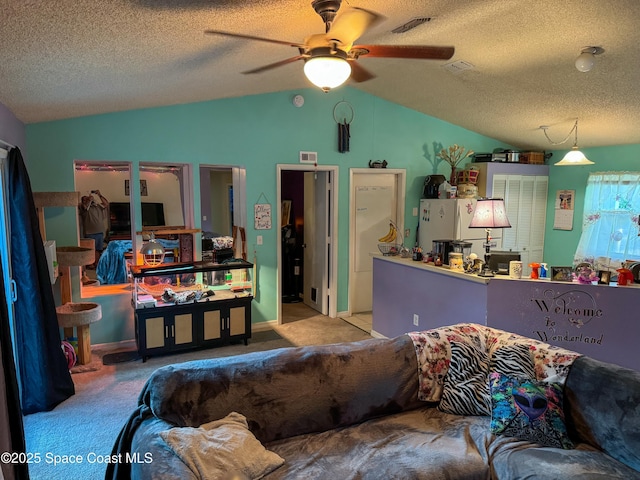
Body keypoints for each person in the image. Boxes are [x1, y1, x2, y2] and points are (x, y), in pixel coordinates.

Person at [79, 190, 109, 268]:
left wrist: (99, 194)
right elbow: (84, 207)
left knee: (98, 249)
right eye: (85, 199)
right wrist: (89, 200)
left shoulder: (97, 206)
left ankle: (97, 264)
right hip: (90, 233)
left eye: (87, 198)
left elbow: (106, 204)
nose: (88, 199)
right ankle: (90, 264)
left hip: (99, 232)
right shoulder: (83, 208)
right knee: (91, 249)